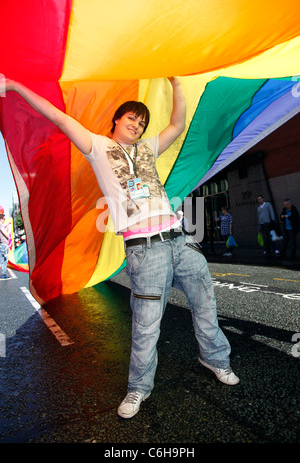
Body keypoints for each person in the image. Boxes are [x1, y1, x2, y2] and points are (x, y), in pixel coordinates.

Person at [1, 77, 239, 419]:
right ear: (117, 120)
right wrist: (18, 88)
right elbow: (58, 117)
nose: (137, 125)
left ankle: (215, 359)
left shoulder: (147, 149)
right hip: (145, 250)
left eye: (142, 123)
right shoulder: (97, 146)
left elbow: (178, 123)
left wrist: (176, 85)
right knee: (146, 324)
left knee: (206, 303)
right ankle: (138, 388)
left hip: (179, 239)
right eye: (132, 119)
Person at [0, 206, 11, 280]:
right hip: (4, 245)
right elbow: (7, 235)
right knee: (3, 261)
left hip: (2, 245)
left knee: (2, 260)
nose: (4, 220)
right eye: (3, 218)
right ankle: (3, 275)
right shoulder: (1, 226)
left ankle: (3, 274)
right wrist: (9, 229)